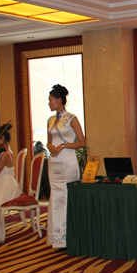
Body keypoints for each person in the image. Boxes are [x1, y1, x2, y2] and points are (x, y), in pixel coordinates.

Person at [47, 84, 86, 252]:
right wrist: (50, 146)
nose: (49, 103)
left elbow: (82, 142)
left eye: (51, 100)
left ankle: (70, 237)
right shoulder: (50, 120)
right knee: (55, 199)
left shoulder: (71, 118)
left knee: (67, 198)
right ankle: (58, 239)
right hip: (53, 164)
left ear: (59, 100)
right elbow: (49, 141)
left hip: (67, 163)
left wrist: (63, 145)